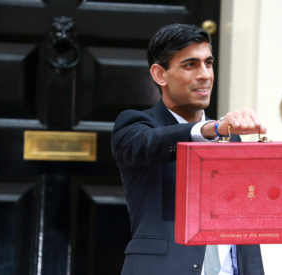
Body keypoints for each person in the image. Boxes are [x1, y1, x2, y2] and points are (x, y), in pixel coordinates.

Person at [111, 23, 265, 275]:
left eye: (209, 63)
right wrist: (208, 129)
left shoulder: (230, 138)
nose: (205, 74)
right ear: (160, 74)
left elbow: (244, 225)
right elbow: (150, 144)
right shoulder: (135, 126)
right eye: (190, 64)